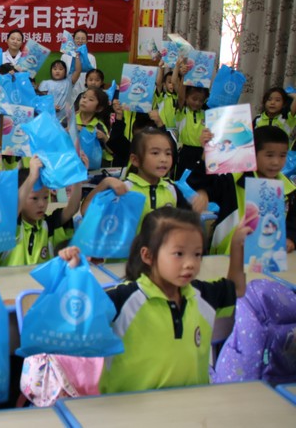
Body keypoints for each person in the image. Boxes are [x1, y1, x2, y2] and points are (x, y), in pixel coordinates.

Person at [59, 207, 249, 394]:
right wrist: (72, 275)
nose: (190, 263)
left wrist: (237, 244)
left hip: (190, 408)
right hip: (131, 410)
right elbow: (73, 321)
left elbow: (237, 289)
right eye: (179, 254)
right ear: (148, 255)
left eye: (197, 254)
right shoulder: (125, 299)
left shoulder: (200, 295)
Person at [191, 125, 296, 255]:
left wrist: (291, 238)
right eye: (269, 155)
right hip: (226, 257)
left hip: (268, 259)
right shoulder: (235, 180)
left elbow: (293, 222)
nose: (276, 162)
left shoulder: (289, 190)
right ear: (253, 154)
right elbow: (201, 182)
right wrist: (206, 155)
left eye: (282, 155)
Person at [83, 127, 193, 220]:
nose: (164, 159)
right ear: (135, 160)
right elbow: (85, 212)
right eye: (155, 153)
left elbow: (188, 221)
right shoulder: (123, 189)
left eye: (168, 153)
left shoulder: (172, 189)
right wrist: (105, 183)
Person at [0, 157, 81, 266]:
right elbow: (13, 208)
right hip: (9, 277)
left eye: (46, 197)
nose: (42, 204)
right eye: (34, 198)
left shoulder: (48, 225)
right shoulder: (11, 226)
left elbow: (72, 208)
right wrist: (32, 177)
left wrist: (78, 176)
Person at [173, 58, 208, 179]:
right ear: (187, 97)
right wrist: (183, 76)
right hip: (185, 153)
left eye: (201, 100)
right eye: (194, 99)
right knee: (182, 181)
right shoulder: (183, 110)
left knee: (199, 181)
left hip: (202, 153)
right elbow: (179, 93)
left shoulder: (205, 112)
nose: (197, 103)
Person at [75, 87, 112, 166]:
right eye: (84, 97)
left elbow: (111, 151)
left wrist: (104, 137)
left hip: (92, 167)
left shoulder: (99, 126)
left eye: (91, 100)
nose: (84, 100)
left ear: (99, 108)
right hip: (71, 165)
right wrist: (67, 130)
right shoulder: (70, 120)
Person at [38, 59, 82, 123]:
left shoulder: (69, 82)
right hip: (49, 117)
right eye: (55, 69)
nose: (57, 71)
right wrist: (50, 106)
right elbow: (40, 100)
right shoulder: (45, 83)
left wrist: (77, 57)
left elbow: (78, 71)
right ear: (51, 71)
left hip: (66, 118)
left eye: (60, 69)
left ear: (65, 72)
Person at [62, 29, 97, 99]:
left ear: (86, 41)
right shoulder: (65, 56)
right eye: (77, 38)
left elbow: (93, 77)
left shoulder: (91, 58)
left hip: (85, 92)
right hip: (68, 92)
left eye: (83, 39)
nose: (80, 41)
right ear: (73, 40)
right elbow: (62, 75)